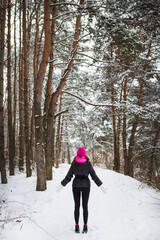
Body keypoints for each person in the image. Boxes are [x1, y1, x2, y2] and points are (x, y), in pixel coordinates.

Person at [57, 147, 107, 234]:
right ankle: (85, 225)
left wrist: (62, 185)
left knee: (76, 206)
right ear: (84, 154)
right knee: (85, 206)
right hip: (86, 186)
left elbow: (69, 176)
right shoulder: (88, 164)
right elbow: (94, 176)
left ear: (77, 154)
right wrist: (101, 185)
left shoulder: (74, 163)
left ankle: (76, 225)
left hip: (76, 186)